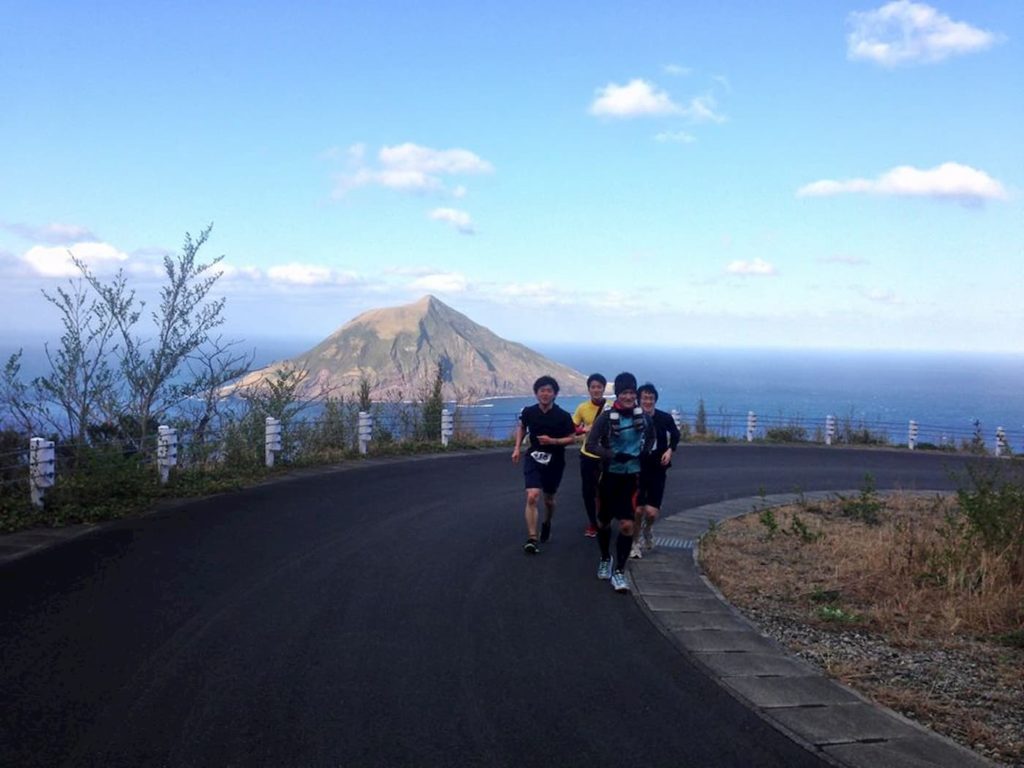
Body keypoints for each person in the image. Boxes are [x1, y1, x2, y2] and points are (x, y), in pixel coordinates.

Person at [585, 372, 654, 592]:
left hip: (631, 477)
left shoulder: (643, 417)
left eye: (632, 393)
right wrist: (611, 455)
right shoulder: (606, 418)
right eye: (624, 392)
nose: (629, 397)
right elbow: (590, 444)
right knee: (603, 522)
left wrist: (642, 453)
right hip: (608, 476)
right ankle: (606, 558)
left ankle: (619, 572)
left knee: (626, 525)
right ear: (617, 394)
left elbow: (651, 438)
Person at [512, 375, 577, 554]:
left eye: (549, 391)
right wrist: (517, 448)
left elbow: (572, 439)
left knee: (548, 500)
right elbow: (522, 427)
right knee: (532, 495)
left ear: (555, 394)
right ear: (536, 393)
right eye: (542, 390)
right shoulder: (529, 412)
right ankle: (532, 538)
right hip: (533, 457)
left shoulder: (563, 416)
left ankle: (547, 522)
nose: (545, 394)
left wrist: (552, 441)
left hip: (555, 461)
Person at [631, 383, 681, 559]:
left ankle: (648, 528)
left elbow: (675, 435)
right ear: (639, 400)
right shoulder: (632, 418)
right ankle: (635, 543)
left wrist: (669, 450)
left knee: (651, 512)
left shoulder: (664, 418)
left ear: (655, 400)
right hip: (637, 469)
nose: (648, 401)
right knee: (637, 510)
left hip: (658, 469)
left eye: (651, 398)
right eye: (644, 398)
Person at [572, 373, 608, 538]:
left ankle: (603, 520)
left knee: (605, 491)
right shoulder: (582, 408)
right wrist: (584, 429)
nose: (596, 390)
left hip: (606, 455)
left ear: (603, 388)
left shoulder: (611, 406)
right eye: (593, 387)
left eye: (599, 387)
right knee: (588, 491)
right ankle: (593, 523)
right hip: (588, 455)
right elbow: (573, 428)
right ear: (589, 389)